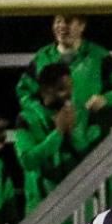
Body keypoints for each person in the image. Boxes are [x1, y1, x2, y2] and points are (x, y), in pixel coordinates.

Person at [12, 15, 112, 145]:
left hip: (88, 141)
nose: (61, 26)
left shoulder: (97, 56)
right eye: (58, 21)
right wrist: (42, 114)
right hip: (51, 143)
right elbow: (24, 91)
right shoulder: (42, 57)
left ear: (82, 25)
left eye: (67, 21)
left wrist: (107, 99)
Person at [16, 63, 89, 212]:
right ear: (46, 89)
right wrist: (58, 132)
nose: (69, 94)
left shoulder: (79, 113)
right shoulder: (27, 118)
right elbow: (28, 160)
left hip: (78, 206)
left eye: (70, 88)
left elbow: (87, 154)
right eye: (62, 89)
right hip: (42, 208)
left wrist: (73, 131)